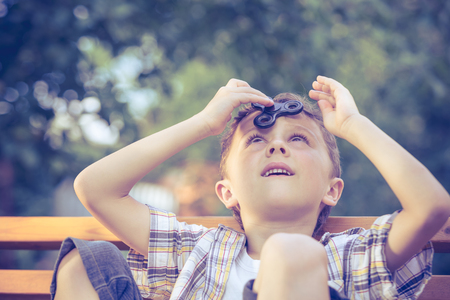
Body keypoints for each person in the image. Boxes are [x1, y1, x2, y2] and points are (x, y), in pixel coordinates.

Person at [50, 76, 450, 300]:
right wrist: (205, 122)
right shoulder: (196, 251)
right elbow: (95, 188)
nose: (276, 144)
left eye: (299, 140)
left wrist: (351, 125)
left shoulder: (355, 256)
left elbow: (430, 207)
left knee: (290, 255)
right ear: (227, 192)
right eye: (255, 140)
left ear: (332, 189)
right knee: (90, 260)